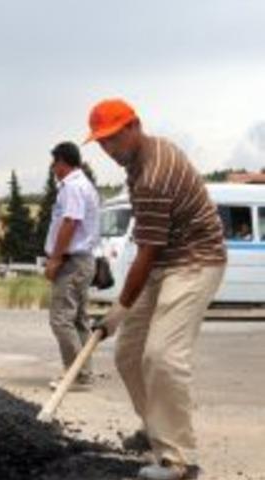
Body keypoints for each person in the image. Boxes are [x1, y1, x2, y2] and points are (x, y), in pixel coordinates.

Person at [87, 99, 226, 480]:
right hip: (165, 260)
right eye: (101, 142)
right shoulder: (138, 162)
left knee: (163, 356)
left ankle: (179, 460)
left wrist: (118, 311)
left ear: (134, 125)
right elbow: (151, 252)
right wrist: (121, 315)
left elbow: (146, 253)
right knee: (129, 354)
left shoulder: (153, 174)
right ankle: (156, 430)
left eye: (113, 138)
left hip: (195, 261)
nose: (108, 148)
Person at [43, 141, 100, 390]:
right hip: (82, 260)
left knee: (61, 319)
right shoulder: (84, 185)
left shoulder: (73, 187)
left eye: (54, 162)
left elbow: (70, 223)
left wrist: (55, 258)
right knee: (78, 320)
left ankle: (77, 376)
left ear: (62, 162)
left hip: (71, 261)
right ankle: (84, 372)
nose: (53, 168)